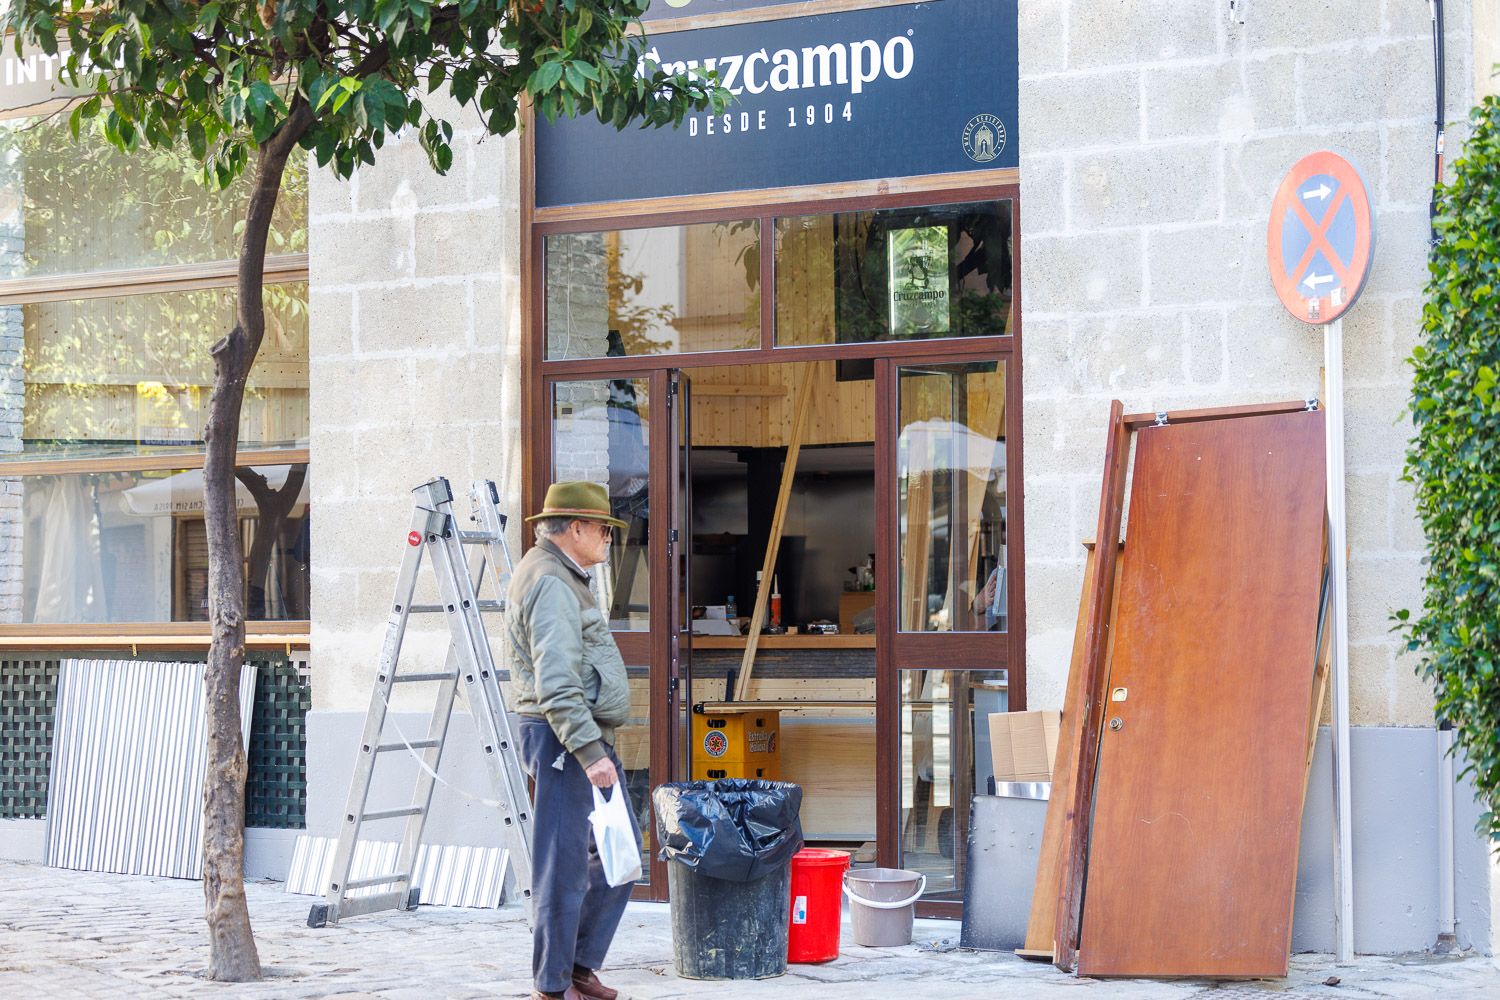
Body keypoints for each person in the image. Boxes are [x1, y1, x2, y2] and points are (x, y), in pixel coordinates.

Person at [509, 481, 638, 1000]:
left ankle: (578, 968)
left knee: (616, 857)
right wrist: (589, 754)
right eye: (603, 528)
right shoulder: (552, 582)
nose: (608, 538)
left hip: (575, 735)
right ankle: (553, 986)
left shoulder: (562, 575)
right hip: (565, 739)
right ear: (577, 527)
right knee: (563, 867)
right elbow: (556, 683)